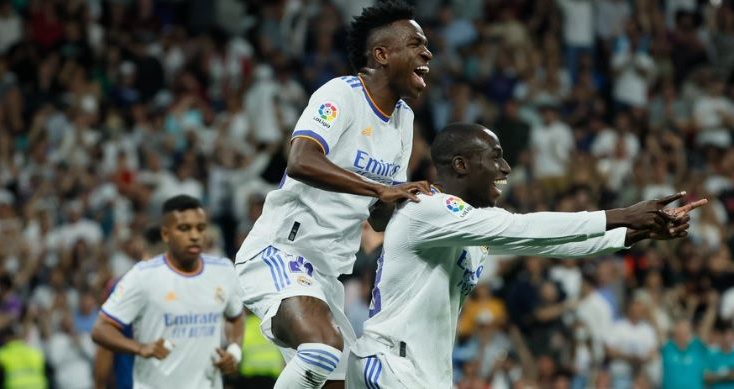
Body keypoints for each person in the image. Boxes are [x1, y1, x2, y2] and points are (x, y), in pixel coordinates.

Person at [345, 123, 707, 388]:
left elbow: (549, 244)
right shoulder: (427, 208)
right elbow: (525, 228)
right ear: (461, 165)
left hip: (426, 373)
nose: (505, 170)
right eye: (495, 158)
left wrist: (640, 232)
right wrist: (624, 214)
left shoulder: (471, 224)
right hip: (391, 365)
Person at [234, 1, 432, 387]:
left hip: (326, 274)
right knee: (322, 349)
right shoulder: (342, 94)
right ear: (381, 54)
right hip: (280, 252)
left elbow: (378, 213)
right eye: (415, 44)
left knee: (341, 381)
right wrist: (381, 188)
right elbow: (301, 159)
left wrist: (409, 203)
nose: (427, 53)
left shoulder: (404, 120)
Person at [91, 195, 243, 389]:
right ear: (166, 236)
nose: (194, 236)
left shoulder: (223, 270)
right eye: (184, 229)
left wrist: (234, 351)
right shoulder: (139, 278)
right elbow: (102, 333)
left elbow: (236, 316)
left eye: (200, 228)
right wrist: (141, 348)